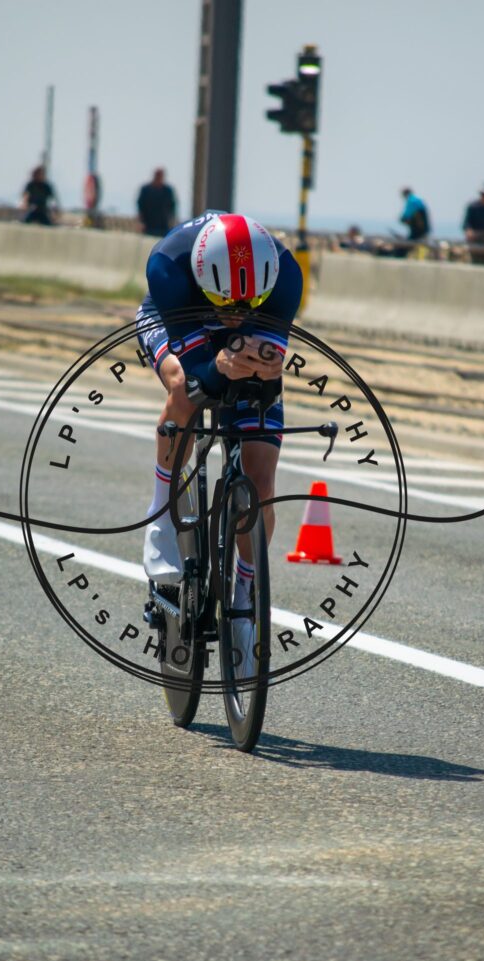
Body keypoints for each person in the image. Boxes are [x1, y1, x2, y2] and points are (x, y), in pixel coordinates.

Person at [137, 212, 302, 674]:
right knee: (183, 389)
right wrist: (218, 368)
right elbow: (198, 376)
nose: (235, 313)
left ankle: (246, 592)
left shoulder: (285, 276)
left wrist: (262, 366)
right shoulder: (168, 266)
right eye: (225, 303)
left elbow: (264, 368)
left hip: (244, 328)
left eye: (247, 304)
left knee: (261, 479)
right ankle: (160, 518)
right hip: (175, 316)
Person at [137, 168, 177, 237]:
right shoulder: (146, 190)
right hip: (149, 226)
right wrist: (141, 222)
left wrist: (172, 221)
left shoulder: (167, 191)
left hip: (164, 226)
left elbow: (172, 207)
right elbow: (140, 206)